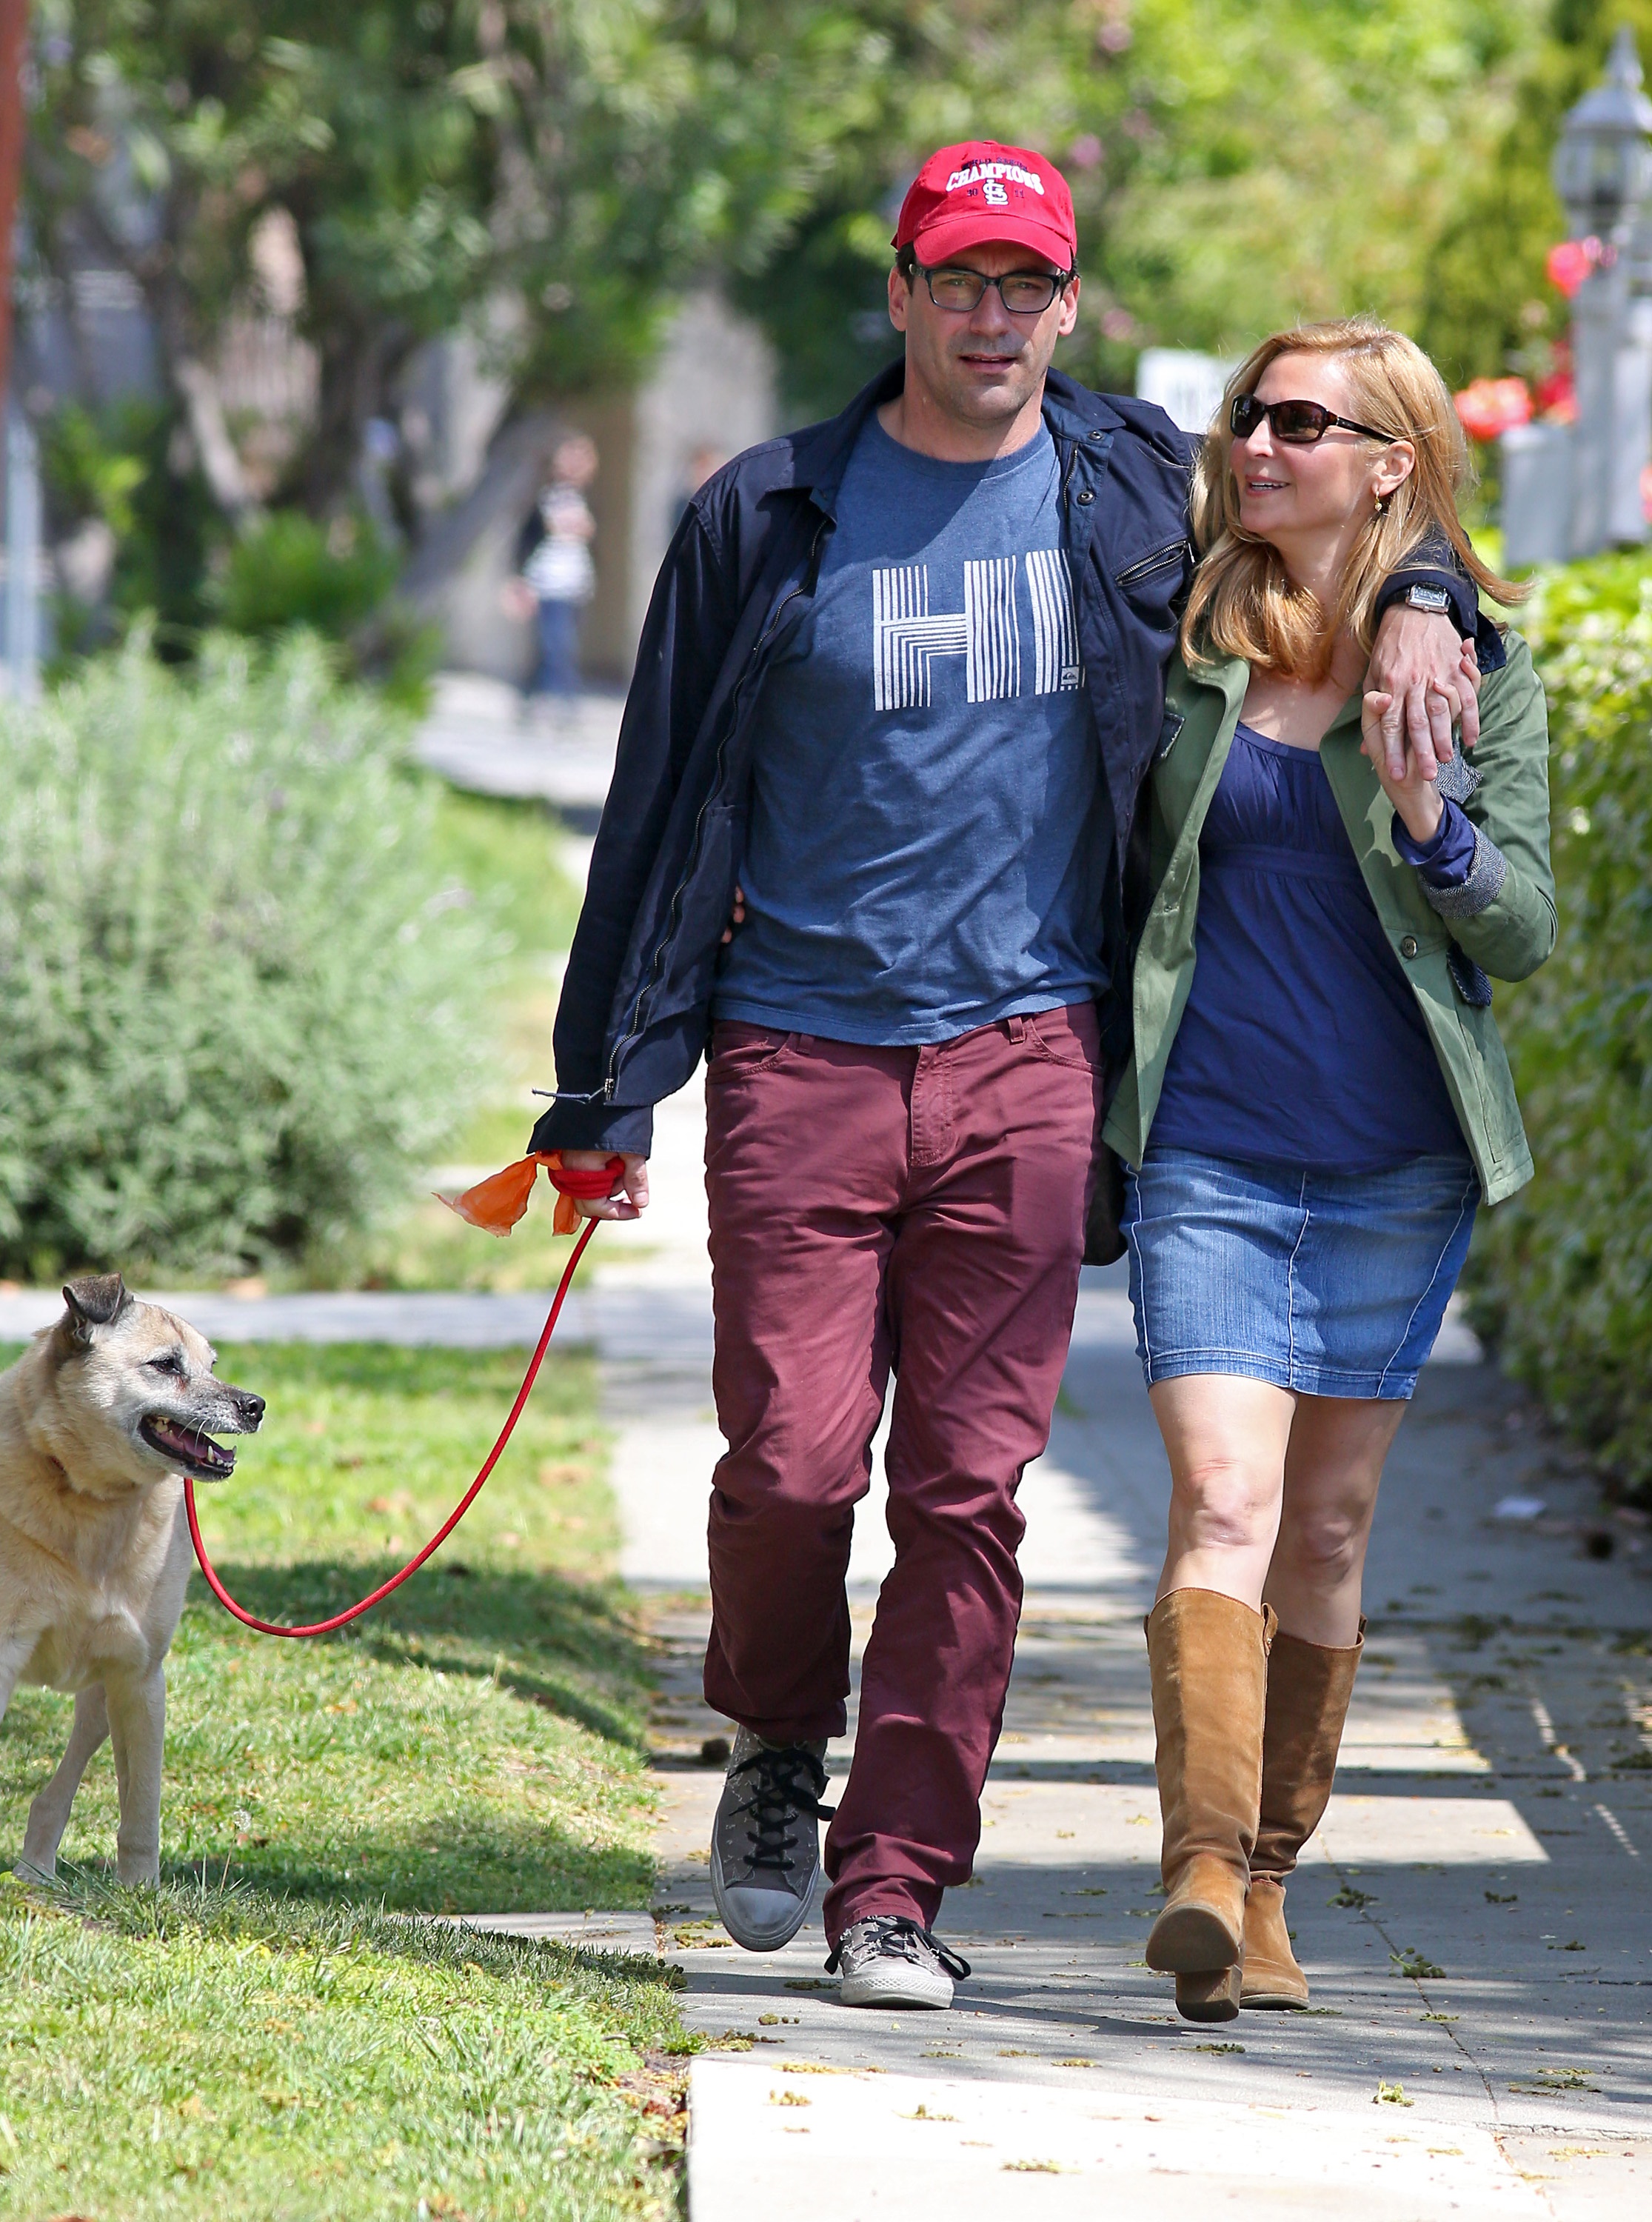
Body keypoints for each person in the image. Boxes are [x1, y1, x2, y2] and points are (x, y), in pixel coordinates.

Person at [529, 144, 1480, 2013]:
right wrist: (602, 1088)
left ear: (1066, 301)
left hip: (1031, 1058)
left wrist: (1440, 590)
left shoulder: (1131, 483)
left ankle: (894, 1885)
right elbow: (653, 807)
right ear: (896, 295)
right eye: (958, 282)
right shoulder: (767, 512)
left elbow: (1342, 498)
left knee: (970, 1489)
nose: (992, 316)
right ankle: (780, 1740)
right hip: (796, 1047)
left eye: (1025, 285)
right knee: (793, 1471)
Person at [1102, 319, 1555, 2024]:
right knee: (1225, 1496)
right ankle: (1204, 1866)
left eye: (1306, 421)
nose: (1259, 440)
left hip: (1395, 1170)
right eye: (1251, 413)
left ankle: (1275, 1883)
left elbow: (1524, 932)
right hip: (1210, 1148)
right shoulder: (1179, 640)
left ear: (1389, 464)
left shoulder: (1470, 671)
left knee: (1334, 1519)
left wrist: (1437, 822)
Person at [508, 433, 598, 704]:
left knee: (563, 644)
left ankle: (537, 697)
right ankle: (559, 700)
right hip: (547, 581)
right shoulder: (544, 497)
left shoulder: (585, 500)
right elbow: (525, 540)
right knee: (554, 643)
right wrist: (520, 582)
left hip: (575, 583)